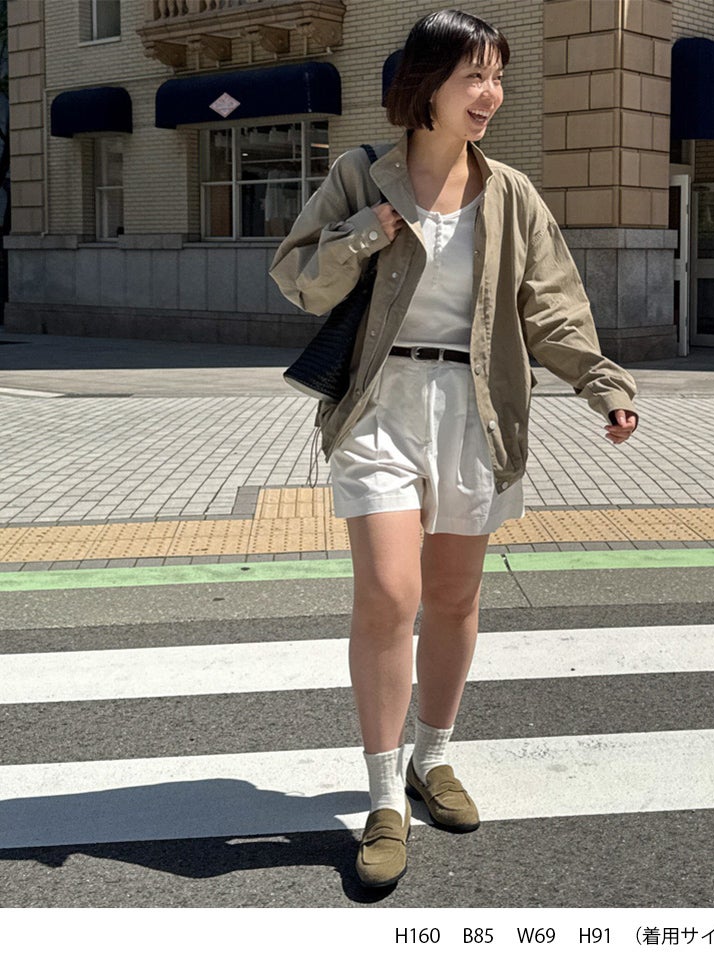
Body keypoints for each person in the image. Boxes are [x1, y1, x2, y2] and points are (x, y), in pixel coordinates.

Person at [270, 8, 638, 888]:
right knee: (389, 595)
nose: (491, 94)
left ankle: (430, 758)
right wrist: (367, 232)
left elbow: (552, 307)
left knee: (454, 596)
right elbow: (297, 278)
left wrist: (604, 385)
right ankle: (382, 798)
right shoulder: (362, 174)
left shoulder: (511, 194)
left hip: (475, 410)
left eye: (497, 77)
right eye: (474, 75)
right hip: (380, 405)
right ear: (426, 84)